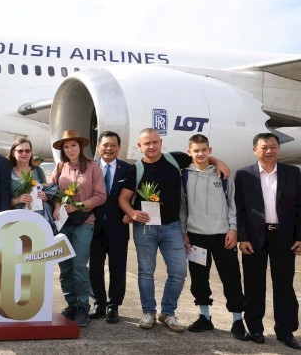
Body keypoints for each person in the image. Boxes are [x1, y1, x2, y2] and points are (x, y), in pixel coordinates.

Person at [118, 128, 230, 333]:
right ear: (139, 146)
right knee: (145, 272)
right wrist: (132, 213)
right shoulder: (135, 170)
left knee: (178, 272)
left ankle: (168, 312)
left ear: (161, 142)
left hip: (172, 227)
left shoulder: (175, 159)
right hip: (146, 229)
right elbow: (123, 199)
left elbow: (199, 155)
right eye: (147, 143)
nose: (151, 146)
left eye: (155, 142)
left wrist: (218, 162)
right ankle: (148, 312)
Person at [235, 133, 301, 349]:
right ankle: (255, 328)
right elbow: (241, 210)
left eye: (273, 146)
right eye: (264, 147)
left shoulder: (293, 173)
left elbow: (300, 208)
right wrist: (242, 238)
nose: (269, 151)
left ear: (279, 149)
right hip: (254, 238)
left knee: (284, 285)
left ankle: (286, 330)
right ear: (255, 150)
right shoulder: (244, 174)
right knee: (254, 284)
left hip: (284, 238)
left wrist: (300, 237)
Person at [179, 134, 247, 339]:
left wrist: (233, 229)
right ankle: (205, 317)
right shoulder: (184, 176)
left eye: (204, 149)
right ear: (189, 152)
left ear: (210, 150)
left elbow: (233, 204)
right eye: (196, 150)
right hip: (196, 237)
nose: (200, 154)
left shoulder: (223, 175)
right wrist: (184, 232)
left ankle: (237, 320)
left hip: (222, 236)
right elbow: (181, 207)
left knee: (232, 278)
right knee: (199, 280)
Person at [50, 130, 106, 327]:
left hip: (84, 222)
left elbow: (101, 196)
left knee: (79, 265)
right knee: (64, 266)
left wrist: (79, 206)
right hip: (63, 223)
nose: (70, 149)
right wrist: (57, 205)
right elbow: (52, 191)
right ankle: (71, 304)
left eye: (73, 145)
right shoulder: (60, 167)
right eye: (66, 146)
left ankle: (83, 306)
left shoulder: (93, 167)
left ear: (80, 147)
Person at [88, 131, 131, 324]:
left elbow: (135, 196)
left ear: (119, 148)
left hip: (118, 227)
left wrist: (133, 213)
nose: (109, 149)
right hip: (93, 226)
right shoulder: (90, 167)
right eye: (105, 145)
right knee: (94, 267)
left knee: (117, 267)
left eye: (113, 145)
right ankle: (99, 302)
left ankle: (114, 306)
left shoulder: (128, 169)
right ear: (98, 147)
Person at [8, 137, 52, 226]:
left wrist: (45, 197)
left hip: (37, 218)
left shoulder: (38, 171)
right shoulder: (7, 172)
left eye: (27, 151)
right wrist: (17, 200)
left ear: (31, 153)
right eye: (20, 151)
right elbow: (0, 198)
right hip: (15, 220)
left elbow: (47, 193)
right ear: (13, 153)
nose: (24, 153)